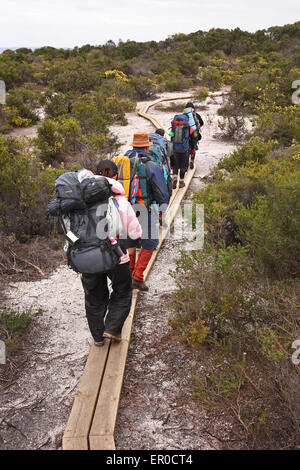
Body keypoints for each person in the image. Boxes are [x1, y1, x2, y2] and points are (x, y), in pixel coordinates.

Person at [80, 161, 142, 345]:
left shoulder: (82, 200)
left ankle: (98, 337)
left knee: (94, 296)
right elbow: (135, 232)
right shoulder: (121, 201)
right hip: (116, 254)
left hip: (87, 255)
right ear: (115, 176)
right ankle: (113, 329)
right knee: (122, 291)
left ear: (95, 174)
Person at [125, 132, 170, 291]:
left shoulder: (123, 163)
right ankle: (137, 277)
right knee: (150, 243)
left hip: (125, 210)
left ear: (133, 146)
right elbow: (161, 192)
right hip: (144, 210)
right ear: (147, 147)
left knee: (130, 242)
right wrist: (162, 208)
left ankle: (128, 275)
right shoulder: (152, 166)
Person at [185, 102, 204, 170]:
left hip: (186, 134)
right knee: (194, 147)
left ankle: (186, 163)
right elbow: (202, 123)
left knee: (186, 148)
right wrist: (197, 129)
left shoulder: (183, 115)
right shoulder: (196, 115)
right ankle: (192, 160)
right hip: (194, 133)